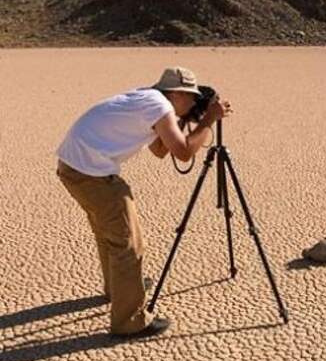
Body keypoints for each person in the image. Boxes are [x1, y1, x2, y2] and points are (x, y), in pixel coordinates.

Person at [56, 66, 232, 338]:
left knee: (109, 235)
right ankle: (130, 321)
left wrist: (184, 120)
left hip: (74, 168)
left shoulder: (146, 98)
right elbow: (183, 153)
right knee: (128, 244)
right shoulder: (159, 105)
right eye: (191, 98)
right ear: (177, 93)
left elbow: (160, 150)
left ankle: (119, 289)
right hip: (92, 174)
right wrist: (208, 120)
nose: (193, 103)